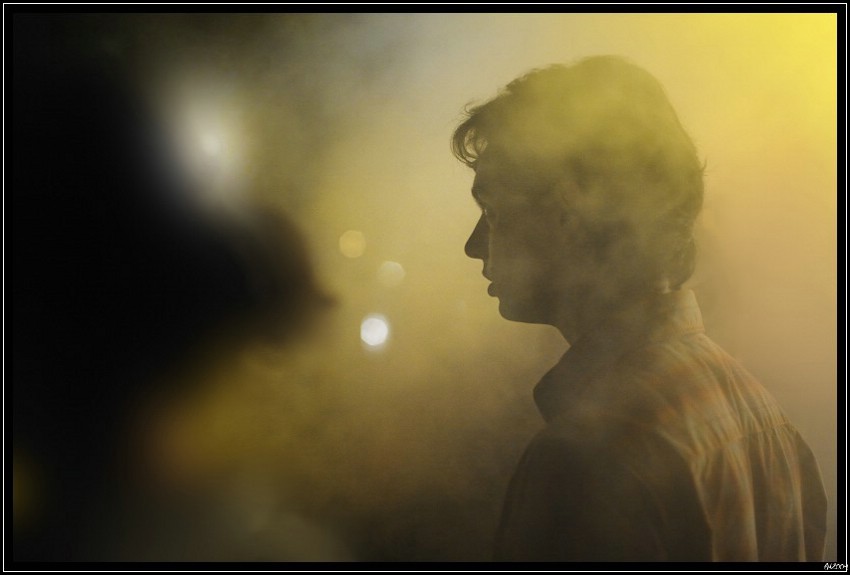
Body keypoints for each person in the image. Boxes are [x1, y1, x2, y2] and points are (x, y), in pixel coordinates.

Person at [452, 55, 827, 562]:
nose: (474, 245)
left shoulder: (586, 459)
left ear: (569, 214)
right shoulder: (765, 418)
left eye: (494, 212)